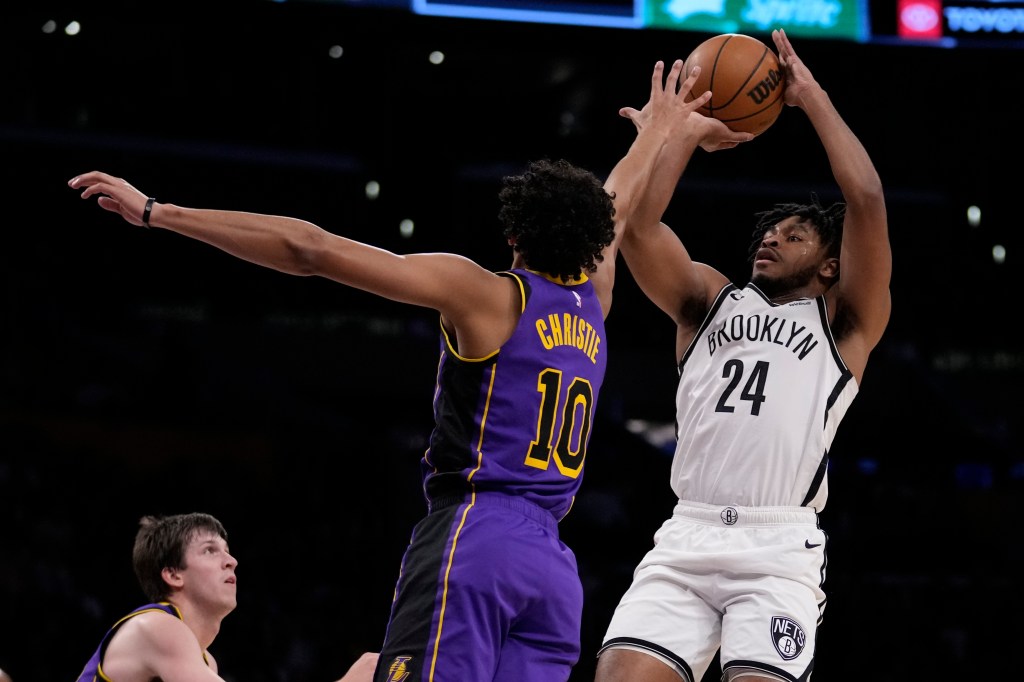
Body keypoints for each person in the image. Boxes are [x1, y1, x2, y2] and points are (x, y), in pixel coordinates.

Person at [68, 63, 749, 682]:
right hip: (554, 573)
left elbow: (310, 249)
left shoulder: (486, 294)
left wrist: (161, 213)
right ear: (594, 241)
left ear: (514, 237)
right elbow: (619, 201)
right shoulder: (593, 306)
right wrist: (667, 131)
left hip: (477, 538)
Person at [594, 29, 891, 682]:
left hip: (778, 544)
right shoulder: (707, 299)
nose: (771, 239)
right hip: (686, 535)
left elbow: (866, 199)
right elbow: (639, 228)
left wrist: (809, 98)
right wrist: (683, 138)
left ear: (831, 265)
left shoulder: (844, 324)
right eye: (767, 231)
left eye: (794, 235)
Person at [74, 513, 378, 682]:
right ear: (173, 575)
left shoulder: (205, 661)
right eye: (210, 550)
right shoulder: (156, 627)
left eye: (228, 551)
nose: (231, 561)